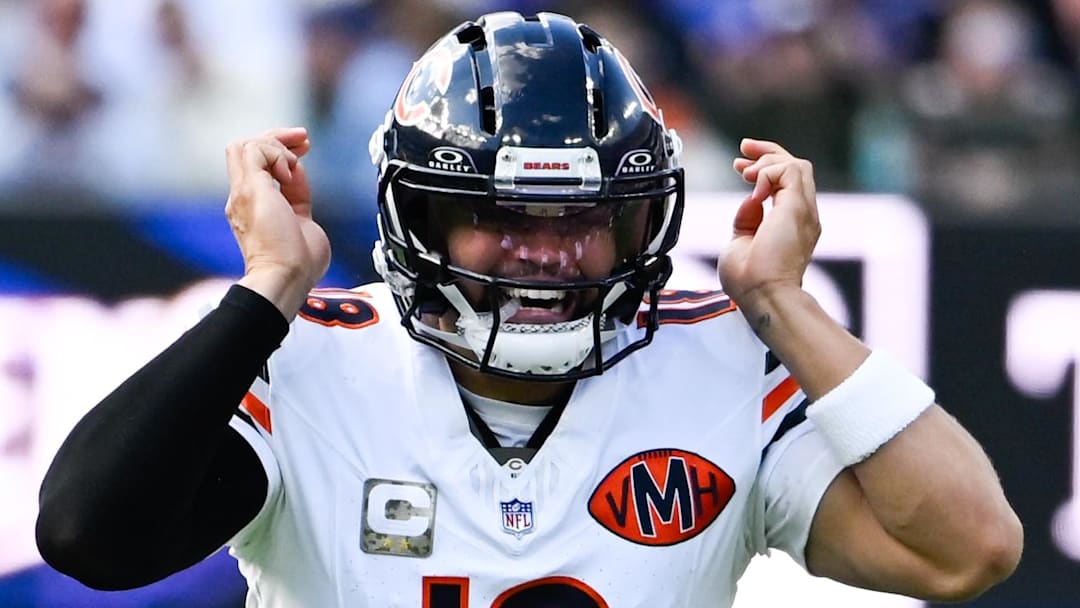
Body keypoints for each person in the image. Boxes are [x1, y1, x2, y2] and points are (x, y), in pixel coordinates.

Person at [35, 11, 1022, 607]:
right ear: (419, 215)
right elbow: (88, 536)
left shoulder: (721, 362)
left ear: (640, 221)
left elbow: (966, 550)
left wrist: (778, 302)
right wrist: (266, 290)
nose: (545, 252)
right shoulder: (313, 362)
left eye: (584, 217)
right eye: (498, 215)